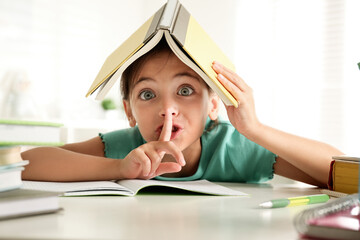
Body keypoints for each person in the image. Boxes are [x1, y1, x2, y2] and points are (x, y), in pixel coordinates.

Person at [22, 40, 343, 188]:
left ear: (214, 105)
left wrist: (255, 128)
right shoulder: (126, 146)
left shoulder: (237, 148)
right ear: (129, 112)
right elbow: (24, 163)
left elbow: (339, 173)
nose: (167, 109)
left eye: (186, 91)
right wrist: (119, 167)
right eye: (147, 95)